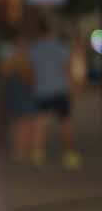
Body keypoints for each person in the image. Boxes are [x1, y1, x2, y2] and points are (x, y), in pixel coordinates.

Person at [26, 17, 80, 169]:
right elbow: (67, 69)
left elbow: (30, 72)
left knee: (40, 123)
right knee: (66, 123)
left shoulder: (33, 49)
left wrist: (32, 86)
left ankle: (37, 154)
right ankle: (70, 155)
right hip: (60, 89)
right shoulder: (60, 47)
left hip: (41, 90)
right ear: (51, 32)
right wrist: (73, 89)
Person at [0, 34, 36, 163]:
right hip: (24, 94)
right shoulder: (25, 61)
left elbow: (3, 74)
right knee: (25, 124)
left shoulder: (8, 59)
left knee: (17, 124)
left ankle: (19, 151)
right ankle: (23, 151)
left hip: (12, 92)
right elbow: (29, 79)